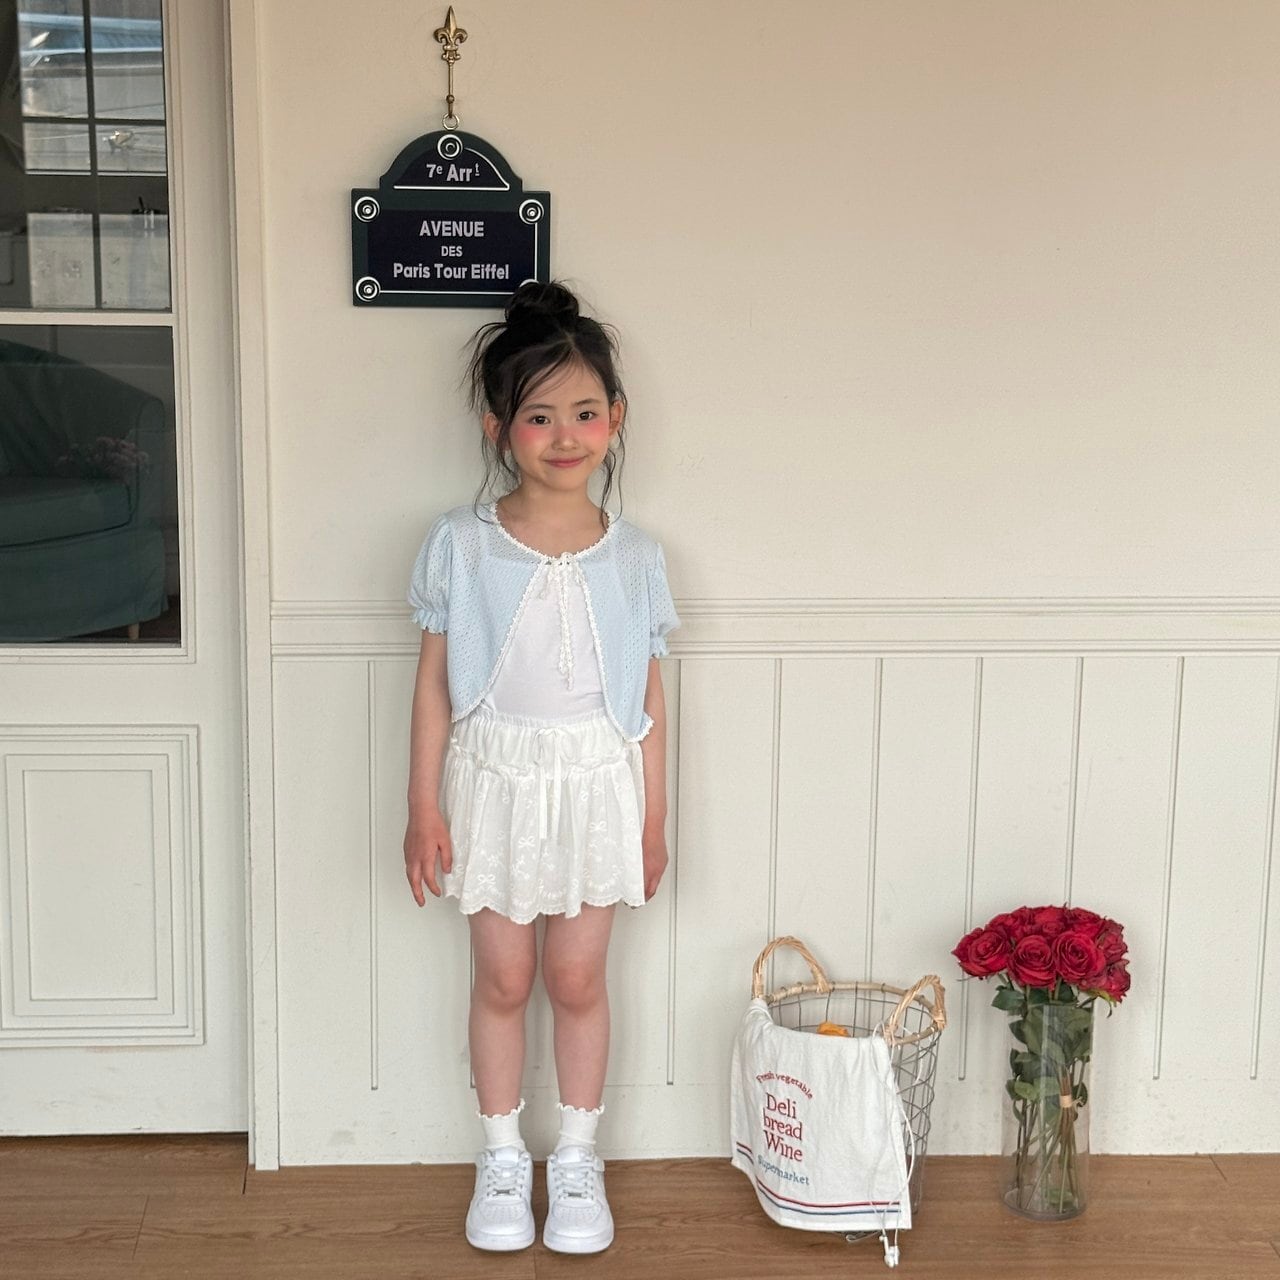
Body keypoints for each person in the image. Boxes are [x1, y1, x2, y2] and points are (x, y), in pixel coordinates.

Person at [402, 281, 681, 1255]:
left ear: (616, 419)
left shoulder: (635, 556)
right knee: (504, 974)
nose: (566, 435)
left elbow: (647, 701)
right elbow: (434, 685)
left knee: (575, 974)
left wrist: (652, 819)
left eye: (585, 412)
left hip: (598, 785)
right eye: (539, 416)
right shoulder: (462, 544)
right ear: (497, 428)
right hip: (493, 781)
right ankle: (499, 1156)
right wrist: (422, 808)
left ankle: (577, 1157)